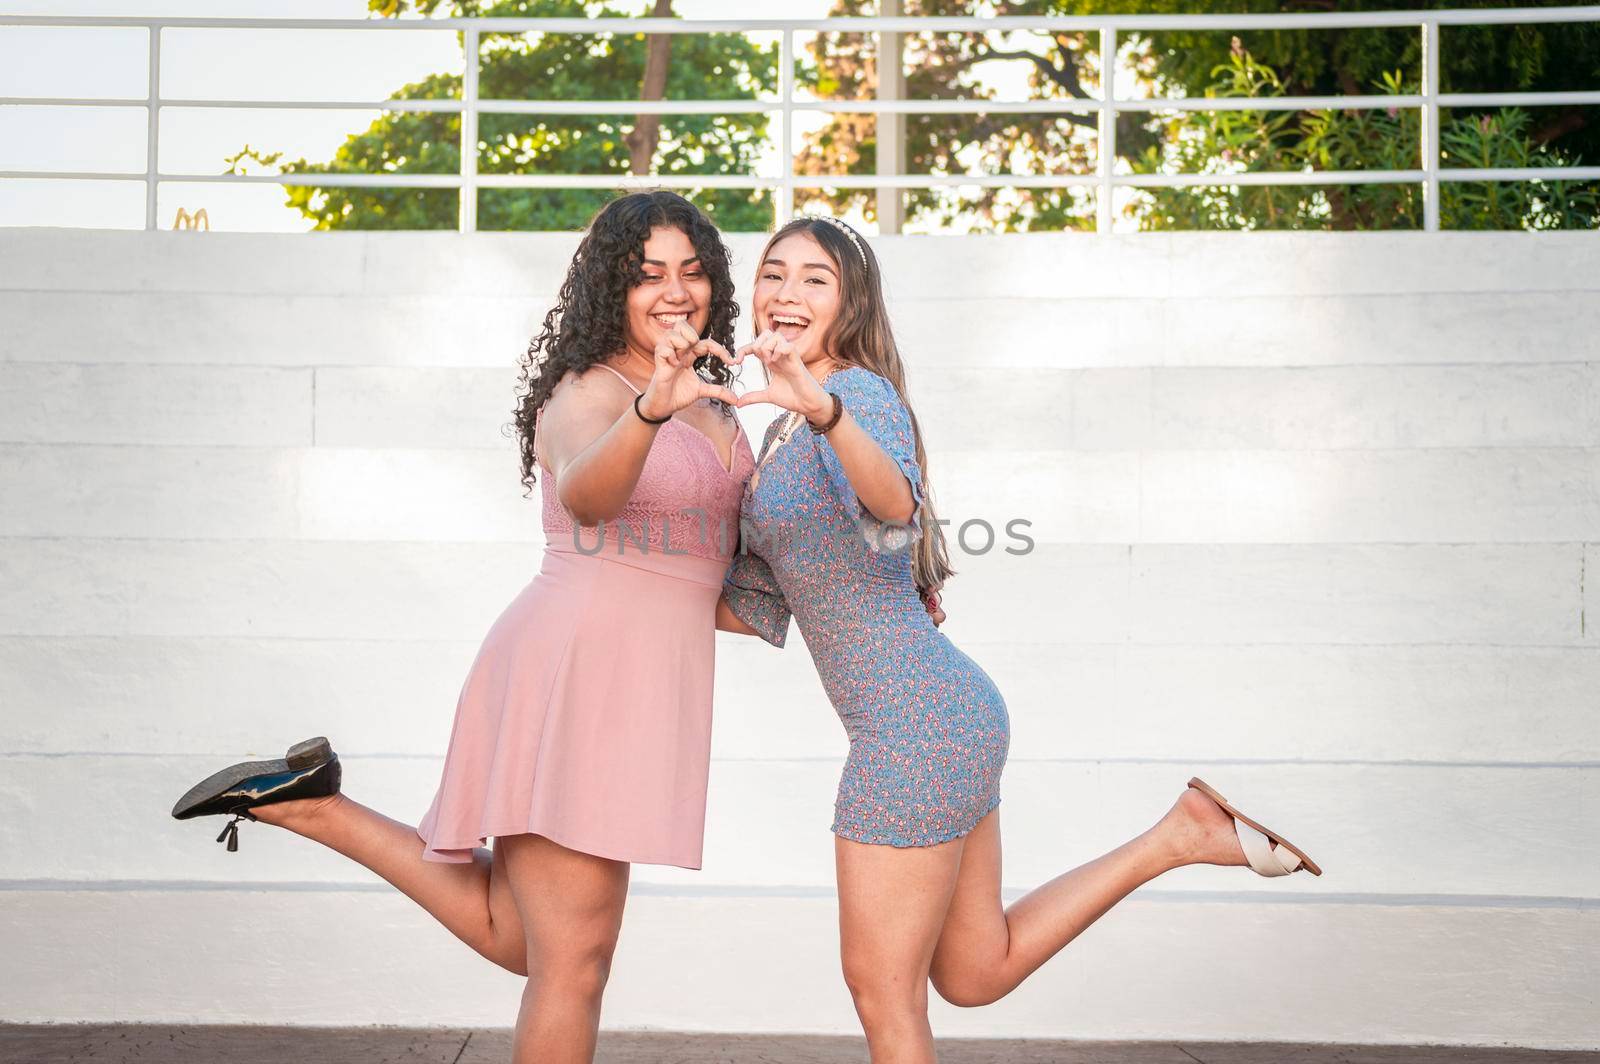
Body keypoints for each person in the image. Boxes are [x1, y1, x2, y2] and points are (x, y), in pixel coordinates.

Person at [719, 215, 1322, 1064]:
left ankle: (1182, 835)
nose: (787, 292)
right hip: (943, 717)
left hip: (914, 730)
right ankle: (1178, 836)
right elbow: (755, 606)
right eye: (774, 273)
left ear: (851, 303)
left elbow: (895, 503)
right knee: (974, 971)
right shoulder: (779, 426)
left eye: (816, 278)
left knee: (883, 993)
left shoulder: (852, 397)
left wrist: (822, 410)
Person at [171, 190, 753, 1064]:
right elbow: (589, 499)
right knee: (573, 962)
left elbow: (704, 578)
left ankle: (316, 805)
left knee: (531, 941)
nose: (673, 290)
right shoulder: (587, 392)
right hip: (576, 675)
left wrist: (865, 591)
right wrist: (649, 409)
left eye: (691, 269)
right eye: (646, 274)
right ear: (609, 289)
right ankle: (317, 808)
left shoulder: (719, 401)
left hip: (647, 686)